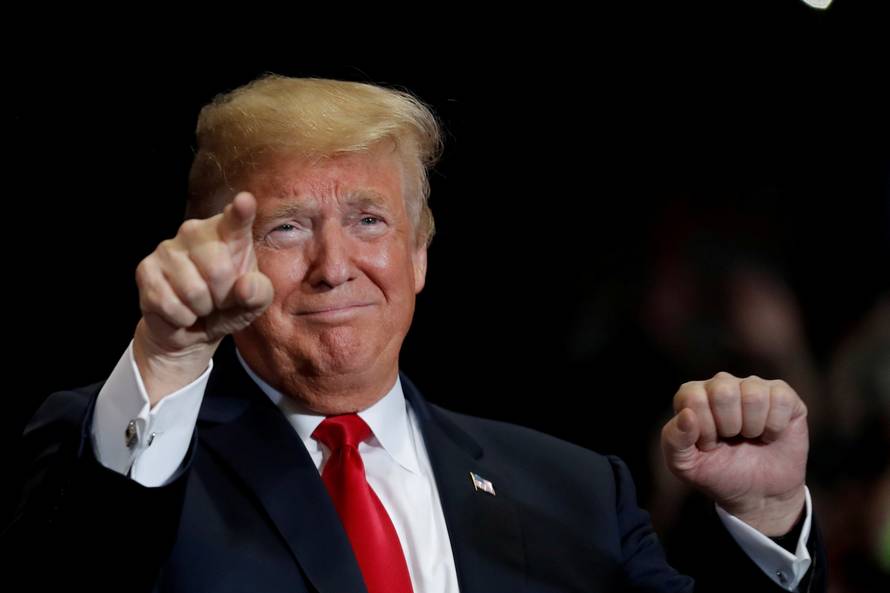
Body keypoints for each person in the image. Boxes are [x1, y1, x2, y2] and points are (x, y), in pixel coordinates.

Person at [6, 75, 825, 592]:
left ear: (420, 253)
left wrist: (766, 517)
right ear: (213, 254)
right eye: (288, 227)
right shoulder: (126, 460)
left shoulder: (576, 492)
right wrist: (172, 353)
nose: (335, 266)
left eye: (369, 219)